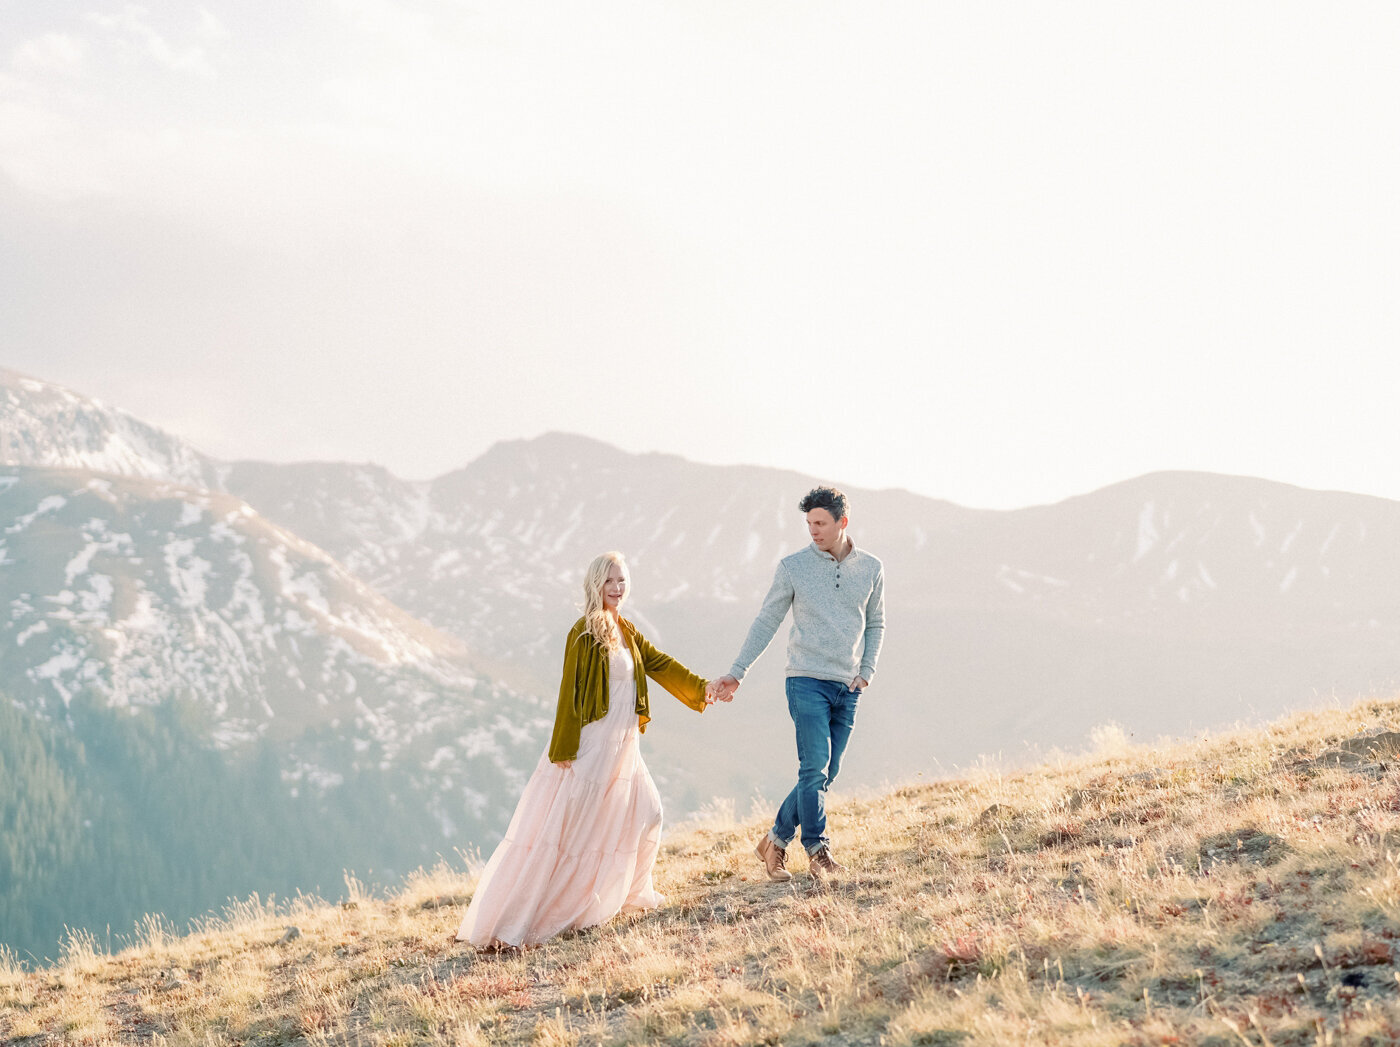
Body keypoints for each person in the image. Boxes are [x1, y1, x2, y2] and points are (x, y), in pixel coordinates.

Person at [456, 551, 712, 949]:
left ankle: (632, 895)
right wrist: (564, 750)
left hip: (624, 746)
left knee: (649, 812)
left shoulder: (625, 628)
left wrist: (704, 689)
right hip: (592, 748)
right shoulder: (584, 632)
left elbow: (658, 663)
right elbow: (569, 694)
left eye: (622, 581)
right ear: (594, 585)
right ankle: (532, 917)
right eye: (609, 581)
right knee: (571, 834)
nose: (617, 589)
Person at [708, 486, 886, 883]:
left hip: (848, 685)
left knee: (826, 772)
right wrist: (737, 672)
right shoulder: (793, 567)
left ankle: (775, 840)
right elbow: (766, 620)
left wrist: (867, 670)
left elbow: (876, 622)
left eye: (820, 523)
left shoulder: (871, 568)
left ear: (843, 522)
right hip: (805, 680)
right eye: (809, 524)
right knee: (813, 768)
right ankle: (818, 851)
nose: (813, 531)